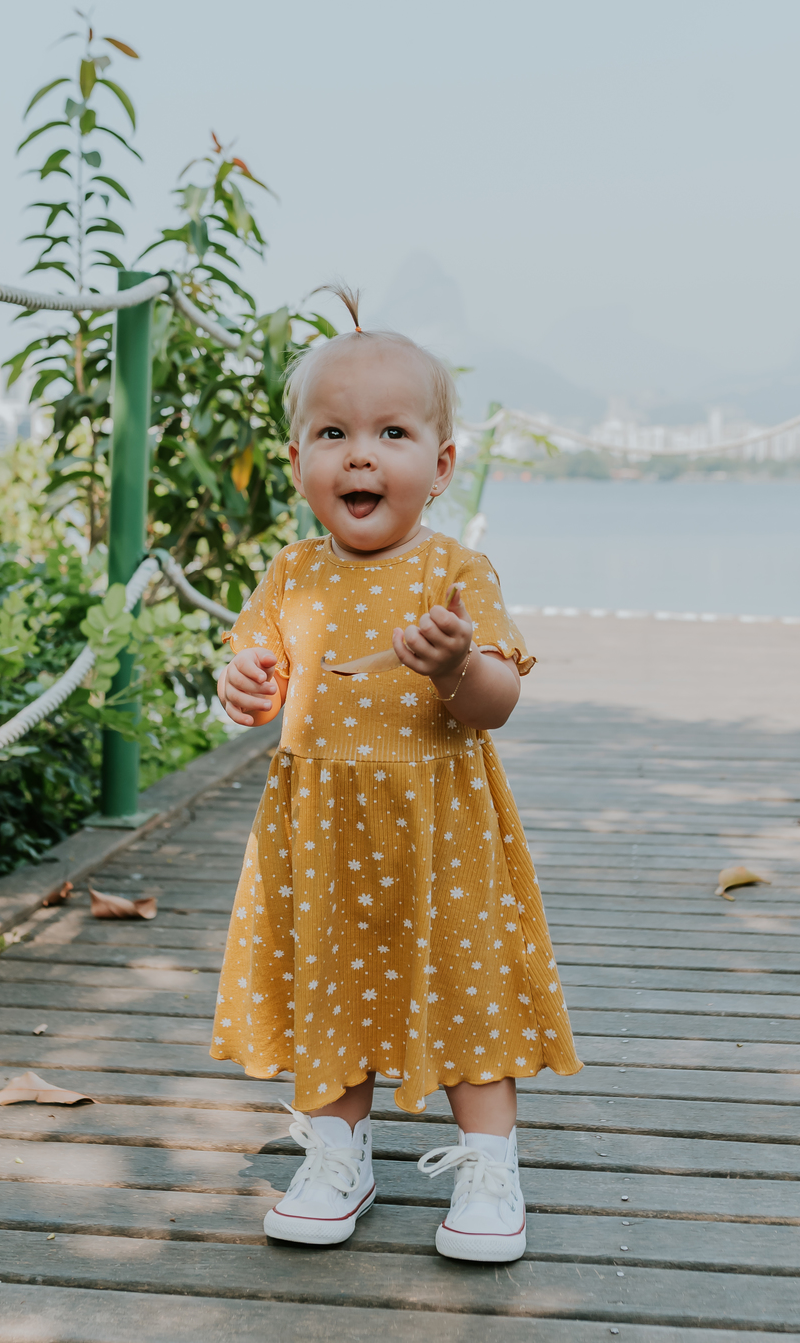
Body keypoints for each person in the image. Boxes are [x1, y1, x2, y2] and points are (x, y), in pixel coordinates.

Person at [212, 285, 581, 1263]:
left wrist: (457, 665)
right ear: (298, 464)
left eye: (392, 433)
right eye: (332, 433)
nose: (361, 454)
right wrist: (243, 684)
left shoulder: (456, 575)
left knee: (466, 984)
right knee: (327, 986)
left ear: (442, 462)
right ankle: (336, 1150)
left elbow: (498, 699)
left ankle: (489, 1164)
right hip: (320, 829)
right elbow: (255, 681)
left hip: (441, 829)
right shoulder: (291, 574)